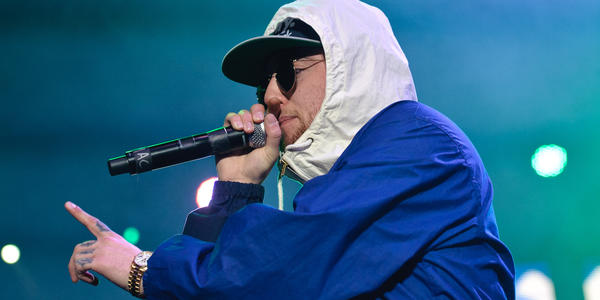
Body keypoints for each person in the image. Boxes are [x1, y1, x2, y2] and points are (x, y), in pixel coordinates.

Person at [66, 0, 516, 298]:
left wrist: (141, 269)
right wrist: (235, 188)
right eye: (264, 83)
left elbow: (266, 277)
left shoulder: (414, 140)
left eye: (286, 71)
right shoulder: (351, 175)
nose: (270, 97)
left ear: (347, 65)